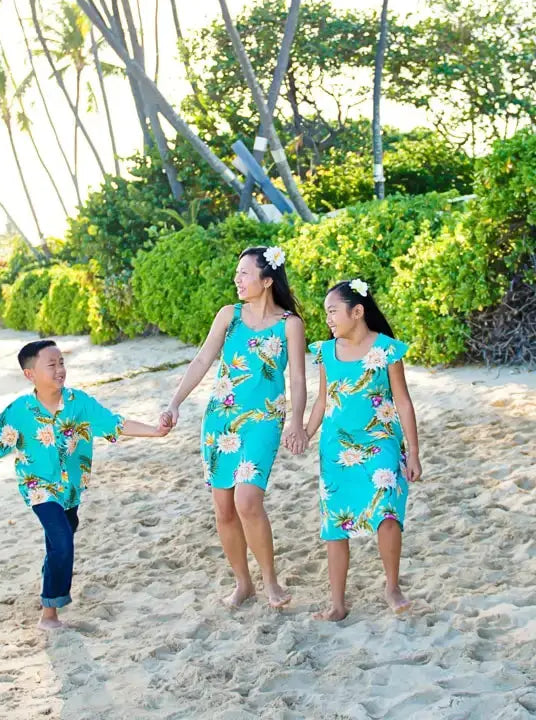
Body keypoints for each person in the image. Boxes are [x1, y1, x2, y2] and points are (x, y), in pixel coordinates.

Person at [0, 339, 170, 630]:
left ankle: (48, 586)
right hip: (38, 487)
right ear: (30, 374)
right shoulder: (19, 411)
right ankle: (49, 612)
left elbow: (115, 423)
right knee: (62, 541)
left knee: (60, 541)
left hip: (72, 488)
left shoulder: (79, 404)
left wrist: (154, 431)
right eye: (51, 364)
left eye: (61, 363)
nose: (59, 369)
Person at [160, 245, 307, 608]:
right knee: (224, 509)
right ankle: (244, 583)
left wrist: (297, 423)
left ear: (267, 280)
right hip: (220, 420)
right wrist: (175, 402)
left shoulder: (290, 324)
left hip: (263, 421)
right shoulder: (230, 315)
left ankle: (270, 581)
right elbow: (202, 359)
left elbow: (300, 380)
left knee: (247, 500)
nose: (237, 279)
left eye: (244, 273)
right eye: (237, 273)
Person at [305, 278, 422, 621]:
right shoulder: (327, 352)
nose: (328, 318)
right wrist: (305, 433)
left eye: (333, 311)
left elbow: (403, 400)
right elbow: (322, 401)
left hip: (381, 441)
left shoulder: (385, 350)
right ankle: (338, 603)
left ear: (357, 312)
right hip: (336, 448)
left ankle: (392, 585)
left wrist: (413, 451)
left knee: (386, 508)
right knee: (335, 523)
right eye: (325, 312)